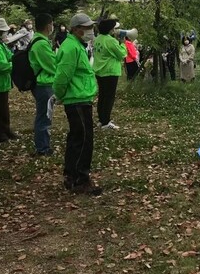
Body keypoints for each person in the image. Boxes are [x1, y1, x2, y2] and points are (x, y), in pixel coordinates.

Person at [53, 13, 101, 195]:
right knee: (83, 140)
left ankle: (71, 176)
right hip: (77, 100)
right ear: (75, 29)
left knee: (76, 138)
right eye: (86, 27)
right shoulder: (71, 47)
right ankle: (81, 179)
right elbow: (62, 76)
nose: (90, 30)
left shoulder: (76, 46)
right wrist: (60, 94)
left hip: (80, 98)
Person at [28, 13, 57, 155]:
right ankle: (42, 148)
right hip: (43, 84)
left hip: (43, 84)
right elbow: (52, 65)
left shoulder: (39, 41)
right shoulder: (40, 44)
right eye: (52, 24)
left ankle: (43, 146)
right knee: (44, 117)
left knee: (44, 116)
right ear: (48, 26)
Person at [93, 19, 126, 130]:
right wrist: (122, 44)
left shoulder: (97, 39)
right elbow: (121, 54)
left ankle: (101, 120)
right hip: (110, 72)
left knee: (102, 96)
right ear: (110, 29)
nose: (114, 30)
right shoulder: (110, 40)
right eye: (113, 28)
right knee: (109, 97)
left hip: (99, 71)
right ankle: (106, 122)